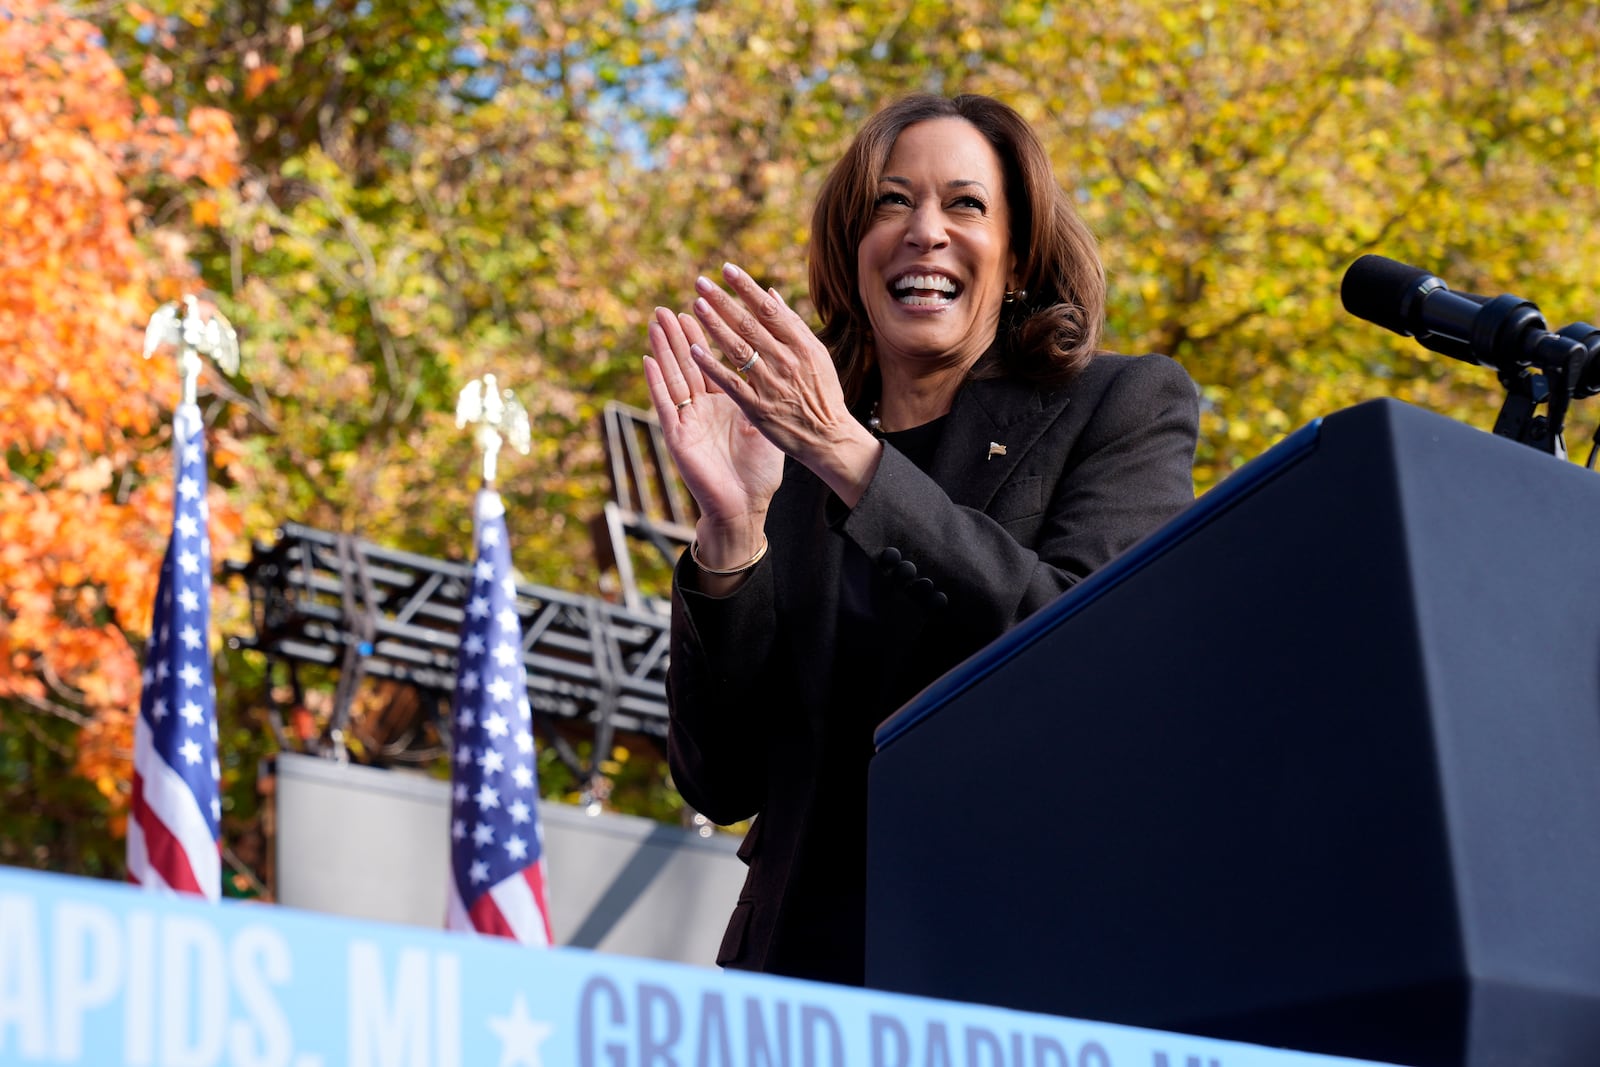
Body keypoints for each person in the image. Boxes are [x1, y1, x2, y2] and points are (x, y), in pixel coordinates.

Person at [642, 92, 1199, 986]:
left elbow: (1089, 643)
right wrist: (731, 532)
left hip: (1001, 966)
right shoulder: (781, 451)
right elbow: (720, 781)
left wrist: (849, 457)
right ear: (851, 253)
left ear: (1018, 256)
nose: (923, 231)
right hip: (795, 976)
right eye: (890, 203)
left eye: (965, 204)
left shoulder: (1122, 405)